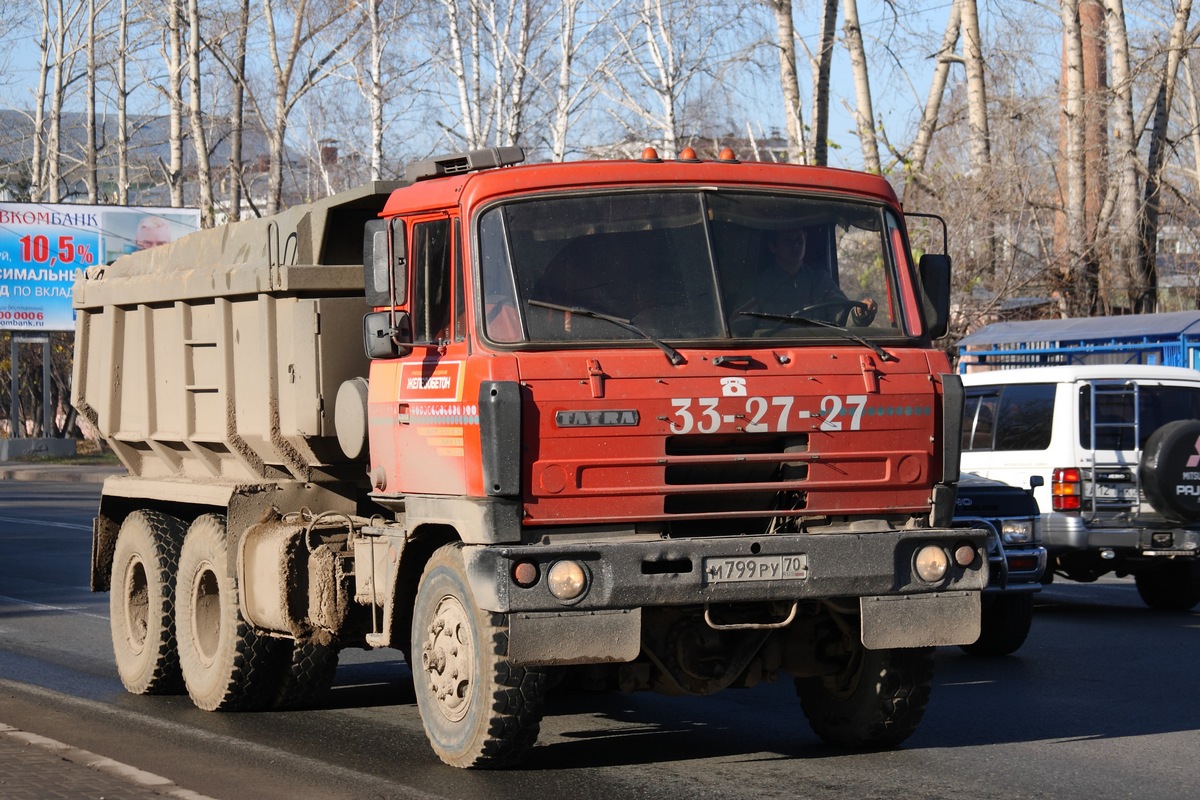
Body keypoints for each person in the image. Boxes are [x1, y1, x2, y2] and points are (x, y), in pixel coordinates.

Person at [734, 227, 876, 328]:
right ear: (773, 247)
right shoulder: (757, 286)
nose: (795, 245)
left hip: (818, 353)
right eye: (787, 241)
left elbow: (842, 317)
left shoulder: (820, 281)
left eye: (799, 240)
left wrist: (858, 313)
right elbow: (738, 328)